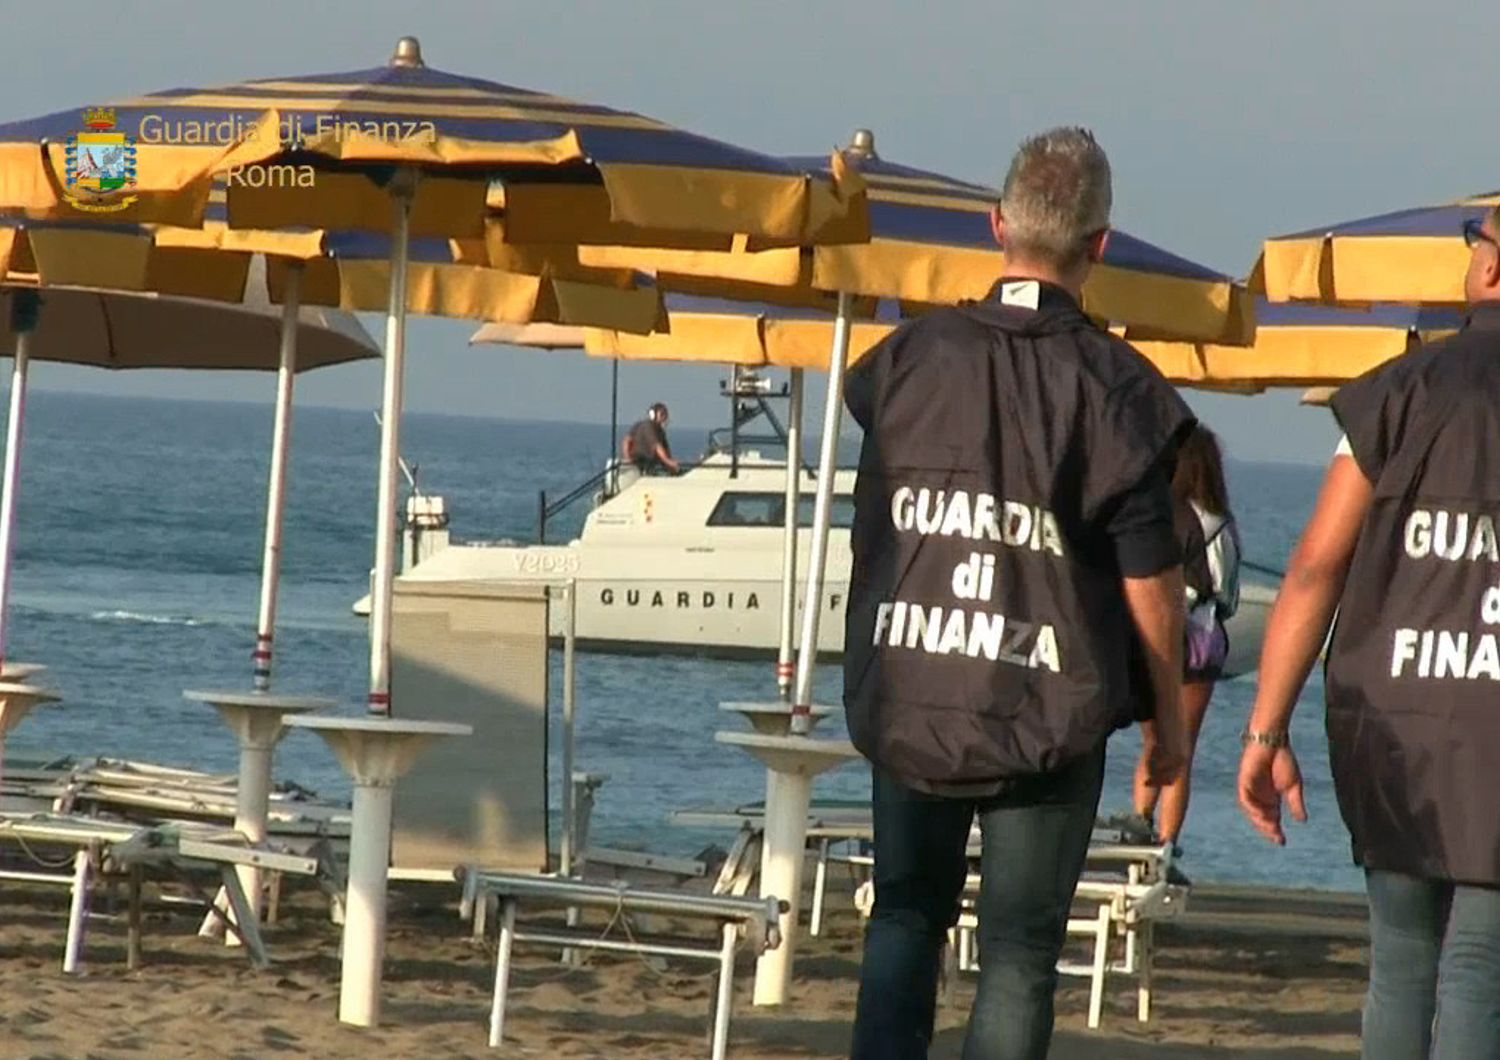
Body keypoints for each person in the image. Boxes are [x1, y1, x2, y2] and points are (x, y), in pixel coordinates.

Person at [844, 127, 1194, 1060]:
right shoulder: (1117, 389)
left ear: (994, 225)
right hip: (1046, 702)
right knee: (1018, 954)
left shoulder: (906, 361)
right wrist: (1170, 724)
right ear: (1101, 245)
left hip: (915, 681)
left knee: (904, 920)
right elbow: (1152, 583)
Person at [1238, 206, 1500, 1059]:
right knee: (1477, 967)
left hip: (1394, 717)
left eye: (1479, 244)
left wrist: (1266, 728)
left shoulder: (1399, 392)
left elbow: (1315, 567)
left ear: (1492, 273)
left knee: (1402, 964)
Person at [1129, 424, 1241, 848]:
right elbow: (1226, 589)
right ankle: (1168, 841)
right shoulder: (1219, 523)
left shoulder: (1159, 515)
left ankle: (1140, 819)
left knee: (1155, 741)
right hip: (1204, 643)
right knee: (1184, 749)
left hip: (1160, 642)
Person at [620, 402, 680, 475]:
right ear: (653, 415)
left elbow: (665, 449)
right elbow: (657, 446)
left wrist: (671, 465)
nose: (664, 417)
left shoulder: (660, 432)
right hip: (637, 463)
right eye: (662, 414)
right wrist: (628, 459)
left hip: (648, 464)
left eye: (665, 415)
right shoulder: (648, 426)